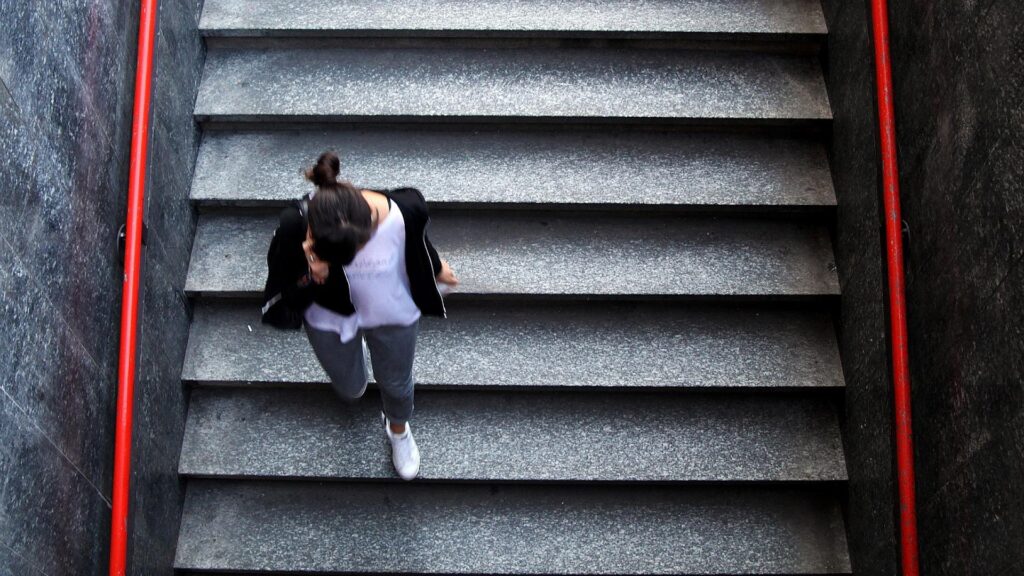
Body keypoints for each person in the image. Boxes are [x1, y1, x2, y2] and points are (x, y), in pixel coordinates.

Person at [275, 151, 458, 480]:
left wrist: (437, 267)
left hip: (392, 313)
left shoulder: (405, 209)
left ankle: (398, 429)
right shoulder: (295, 224)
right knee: (350, 387)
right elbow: (281, 289)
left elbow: (416, 243)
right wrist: (309, 269)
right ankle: (356, 368)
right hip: (331, 319)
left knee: (398, 384)